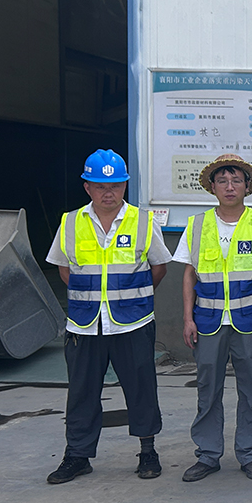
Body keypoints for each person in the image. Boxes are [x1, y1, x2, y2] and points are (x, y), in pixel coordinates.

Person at [46, 149, 172, 484]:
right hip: (85, 323)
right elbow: (64, 269)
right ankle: (77, 455)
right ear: (87, 187)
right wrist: (93, 297)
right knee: (82, 392)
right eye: (100, 186)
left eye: (115, 185)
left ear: (125, 186)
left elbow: (159, 268)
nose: (108, 192)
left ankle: (148, 452)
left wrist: (131, 297)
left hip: (133, 322)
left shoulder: (144, 221)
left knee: (141, 388)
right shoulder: (70, 222)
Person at [173, 154, 252, 482]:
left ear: (248, 186)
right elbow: (189, 274)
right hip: (207, 323)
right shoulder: (197, 225)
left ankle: (250, 454)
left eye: (236, 180)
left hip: (248, 323)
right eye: (222, 181)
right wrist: (187, 319)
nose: (230, 187)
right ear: (212, 187)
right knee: (207, 390)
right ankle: (207, 454)